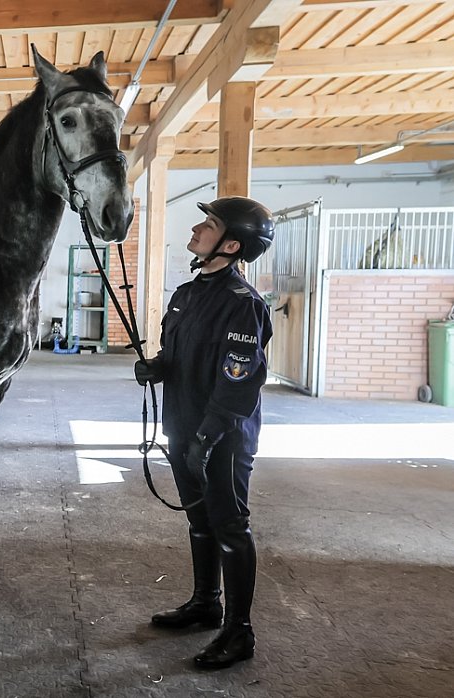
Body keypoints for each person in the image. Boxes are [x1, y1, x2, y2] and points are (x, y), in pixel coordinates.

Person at [135, 196, 274, 670]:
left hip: (222, 438)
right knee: (199, 520)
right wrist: (156, 367)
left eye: (209, 224)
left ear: (232, 245)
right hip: (183, 428)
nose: (196, 228)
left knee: (230, 526)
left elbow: (238, 382)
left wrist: (207, 438)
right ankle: (205, 603)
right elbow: (182, 357)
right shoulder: (185, 295)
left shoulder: (243, 306)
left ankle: (239, 632)